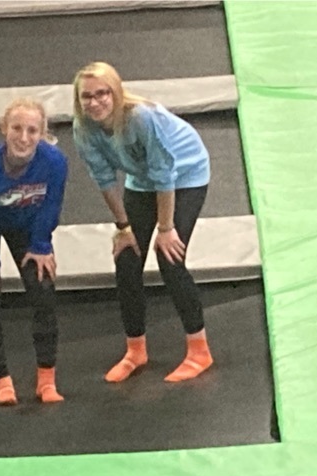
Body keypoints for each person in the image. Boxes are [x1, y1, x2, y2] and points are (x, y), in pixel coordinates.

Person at [72, 61, 213, 384]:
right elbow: (104, 179)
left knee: (169, 258)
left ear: (116, 93)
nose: (95, 102)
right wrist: (123, 228)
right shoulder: (83, 128)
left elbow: (165, 173)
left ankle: (199, 350)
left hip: (185, 173)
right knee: (126, 257)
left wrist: (166, 228)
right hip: (141, 179)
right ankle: (136, 350)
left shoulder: (140, 118)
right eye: (87, 97)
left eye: (102, 93)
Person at [0, 98, 68, 405]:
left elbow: (51, 205)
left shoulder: (55, 162)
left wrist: (40, 244)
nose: (23, 137)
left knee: (43, 290)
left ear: (42, 134)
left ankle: (46, 381)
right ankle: (2, 381)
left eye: (32, 130)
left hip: (28, 224)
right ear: (4, 130)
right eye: (16, 129)